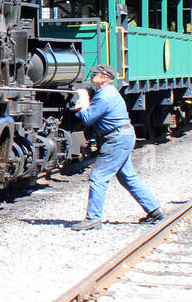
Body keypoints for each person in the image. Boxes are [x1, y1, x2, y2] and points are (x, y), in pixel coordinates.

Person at [69, 63, 164, 230]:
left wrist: (82, 103)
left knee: (98, 177)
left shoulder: (105, 96)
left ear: (105, 78)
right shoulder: (108, 93)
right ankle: (155, 210)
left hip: (116, 139)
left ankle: (93, 218)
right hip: (122, 136)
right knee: (128, 177)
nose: (92, 77)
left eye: (95, 75)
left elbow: (87, 119)